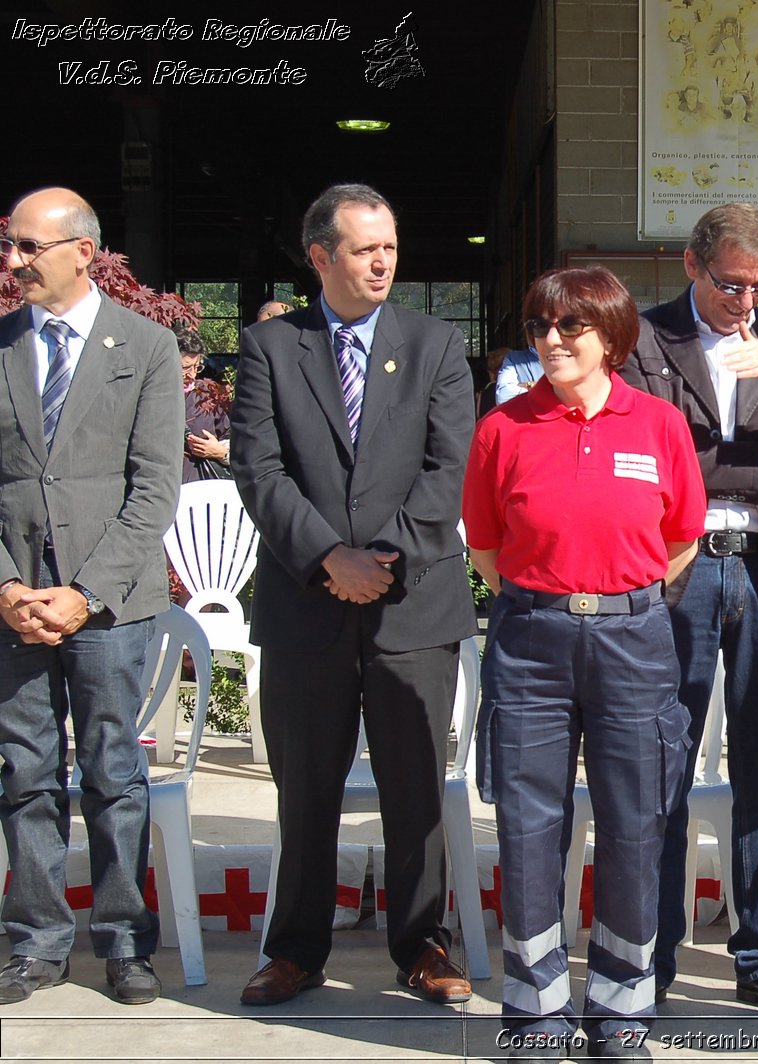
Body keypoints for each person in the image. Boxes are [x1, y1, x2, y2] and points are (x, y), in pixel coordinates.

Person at [230, 183, 478, 1007]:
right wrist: (328, 558)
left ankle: (424, 945)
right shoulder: (271, 349)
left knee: (416, 788)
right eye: (366, 248)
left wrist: (381, 558)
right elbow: (259, 472)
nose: (383, 262)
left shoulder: (436, 343)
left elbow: (451, 469)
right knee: (306, 788)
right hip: (308, 606)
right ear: (320, 257)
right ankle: (296, 948)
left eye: (391, 248)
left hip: (414, 605)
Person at [465, 266, 705, 1062]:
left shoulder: (660, 425)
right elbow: (488, 547)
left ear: (612, 337)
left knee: (636, 822)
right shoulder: (504, 428)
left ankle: (620, 1010)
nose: (552, 342)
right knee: (530, 824)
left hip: (635, 642)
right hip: (531, 640)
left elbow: (680, 540)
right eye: (540, 327)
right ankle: (535, 1013)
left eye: (570, 327)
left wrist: (612, 601)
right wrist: (556, 601)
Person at [618, 203, 758, 1018]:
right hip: (675, 573)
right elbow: (649, 462)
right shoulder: (639, 341)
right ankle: (651, 957)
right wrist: (750, 468)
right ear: (690, 264)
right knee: (661, 771)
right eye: (729, 284)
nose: (746, 302)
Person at [0, 186, 183, 1005]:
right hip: (12, 604)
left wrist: (83, 593)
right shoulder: (0, 344)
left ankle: (123, 941)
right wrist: (7, 586)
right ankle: (35, 942)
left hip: (110, 605)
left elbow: (154, 490)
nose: (12, 262)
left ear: (81, 249)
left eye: (27, 247)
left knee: (114, 772)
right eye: (10, 246)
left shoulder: (143, 347)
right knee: (27, 774)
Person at [174, 323, 232, 483]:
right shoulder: (150, 395)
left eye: (196, 367)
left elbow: (232, 435)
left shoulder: (206, 394)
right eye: (185, 368)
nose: (192, 375)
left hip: (202, 488)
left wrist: (220, 451)